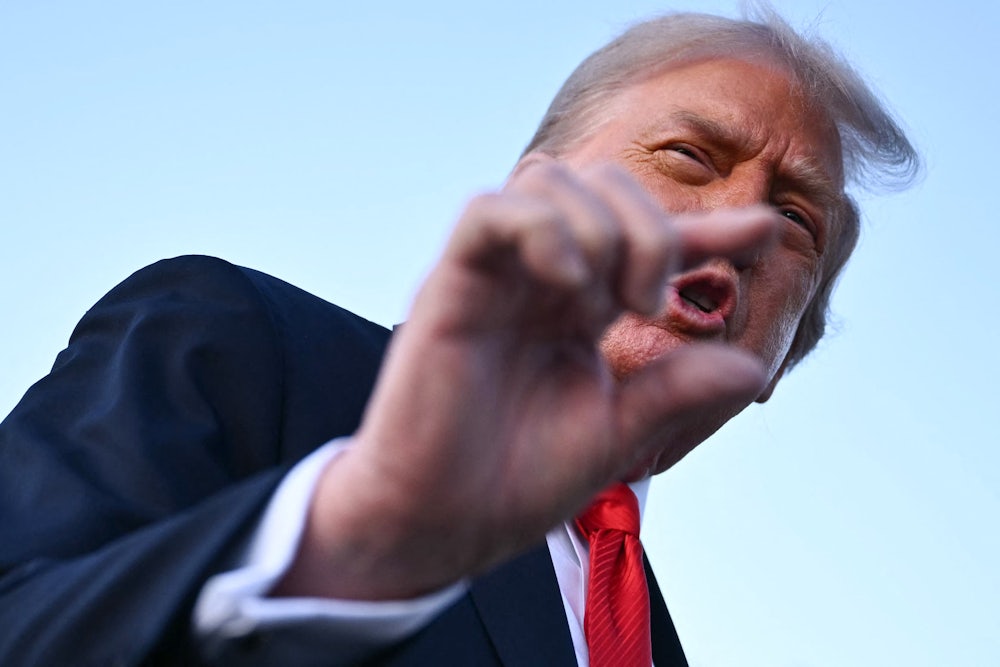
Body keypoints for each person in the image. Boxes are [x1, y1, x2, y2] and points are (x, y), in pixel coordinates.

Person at [0, 7, 917, 666]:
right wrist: (356, 537)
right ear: (532, 196)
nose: (742, 220)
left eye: (798, 219)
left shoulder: (652, 642)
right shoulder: (233, 342)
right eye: (688, 156)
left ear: (781, 357)